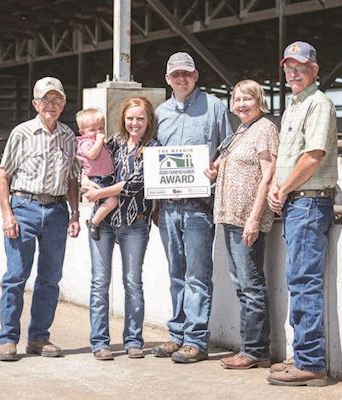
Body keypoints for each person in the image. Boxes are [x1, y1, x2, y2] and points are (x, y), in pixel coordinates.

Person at [153, 51, 233, 363]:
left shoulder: (215, 107)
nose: (181, 79)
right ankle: (177, 334)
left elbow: (227, 148)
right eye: (175, 75)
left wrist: (217, 169)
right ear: (167, 79)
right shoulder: (160, 113)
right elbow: (153, 154)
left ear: (196, 75)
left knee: (197, 275)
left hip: (200, 205)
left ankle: (196, 340)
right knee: (176, 273)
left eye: (186, 73)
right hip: (169, 207)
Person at [266, 41, 338, 385]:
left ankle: (311, 363)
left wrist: (282, 187)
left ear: (315, 70)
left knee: (305, 282)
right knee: (297, 279)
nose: (293, 72)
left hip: (309, 201)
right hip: (297, 202)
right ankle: (301, 355)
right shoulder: (293, 106)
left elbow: (313, 155)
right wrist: (280, 189)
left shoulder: (318, 104)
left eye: (300, 66)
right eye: (288, 67)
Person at [0, 76, 81, 362]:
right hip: (24, 207)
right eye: (46, 100)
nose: (51, 105)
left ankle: (38, 338)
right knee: (16, 276)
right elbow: (3, 176)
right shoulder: (21, 133)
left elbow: (72, 178)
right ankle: (8, 339)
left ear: (64, 104)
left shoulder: (69, 136)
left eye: (57, 100)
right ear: (35, 103)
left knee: (50, 278)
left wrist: (74, 213)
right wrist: (7, 213)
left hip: (56, 211)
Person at [205, 79, 278, 369]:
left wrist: (254, 218)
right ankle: (252, 348)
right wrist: (213, 170)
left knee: (251, 286)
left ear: (260, 101)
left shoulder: (265, 129)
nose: (242, 104)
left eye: (248, 99)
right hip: (230, 216)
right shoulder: (241, 131)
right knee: (243, 285)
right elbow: (225, 163)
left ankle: (255, 350)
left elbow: (268, 175)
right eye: (237, 100)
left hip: (246, 219)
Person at [82, 96, 160, 361]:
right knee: (100, 283)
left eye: (140, 118)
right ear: (123, 119)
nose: (134, 123)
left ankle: (134, 340)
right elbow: (87, 165)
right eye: (130, 118)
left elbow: (133, 184)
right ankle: (99, 342)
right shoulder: (112, 142)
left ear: (148, 120)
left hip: (135, 223)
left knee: (132, 283)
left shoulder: (153, 148)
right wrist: (87, 184)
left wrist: (100, 191)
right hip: (104, 223)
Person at [75, 108, 117, 241]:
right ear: (83, 132)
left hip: (106, 177)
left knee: (114, 202)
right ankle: (94, 222)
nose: (98, 133)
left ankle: (109, 226)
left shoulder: (101, 143)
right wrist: (99, 141)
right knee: (112, 201)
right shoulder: (85, 142)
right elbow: (91, 155)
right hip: (97, 178)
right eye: (92, 130)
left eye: (101, 129)